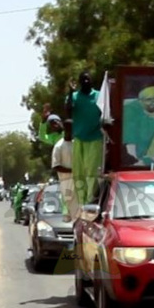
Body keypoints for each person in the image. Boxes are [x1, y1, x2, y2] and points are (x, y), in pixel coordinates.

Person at [65, 71, 103, 207]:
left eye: (88, 79)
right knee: (78, 172)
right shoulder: (74, 96)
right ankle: (82, 202)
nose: (86, 81)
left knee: (92, 171)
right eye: (83, 80)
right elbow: (68, 110)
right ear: (80, 82)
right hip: (79, 139)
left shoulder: (99, 95)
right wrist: (70, 92)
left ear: (91, 81)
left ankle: (90, 201)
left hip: (95, 138)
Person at [52, 119, 78, 221]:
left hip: (80, 181)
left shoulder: (77, 144)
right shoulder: (59, 146)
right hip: (66, 183)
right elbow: (56, 166)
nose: (70, 131)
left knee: (80, 213)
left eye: (72, 129)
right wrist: (73, 171)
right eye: (68, 129)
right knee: (70, 212)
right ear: (64, 129)